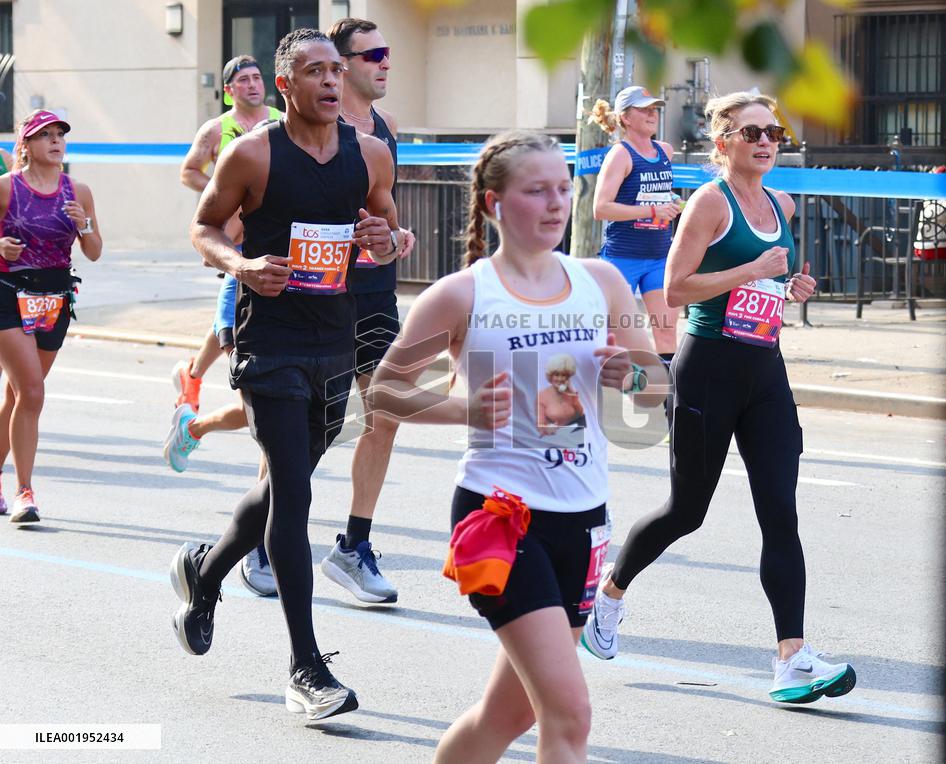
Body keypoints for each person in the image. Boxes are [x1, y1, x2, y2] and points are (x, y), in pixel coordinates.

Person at [369, 130, 667, 763]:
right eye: (537, 191)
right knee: (570, 712)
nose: (557, 203)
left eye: (564, 188)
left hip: (583, 519)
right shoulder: (462, 294)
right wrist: (466, 409)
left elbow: (656, 389)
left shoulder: (603, 282)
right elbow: (383, 393)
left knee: (508, 714)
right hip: (502, 517)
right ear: (494, 204)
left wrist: (633, 376)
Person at [582, 91, 858, 706]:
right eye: (752, 131)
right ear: (723, 141)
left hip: (765, 374)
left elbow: (771, 281)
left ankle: (792, 659)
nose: (766, 141)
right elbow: (677, 289)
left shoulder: (780, 202)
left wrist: (792, 287)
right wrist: (753, 271)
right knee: (687, 511)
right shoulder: (710, 202)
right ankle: (609, 594)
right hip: (706, 372)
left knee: (779, 512)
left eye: (774, 131)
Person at [172, 28, 399, 721]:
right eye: (315, 71)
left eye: (337, 69)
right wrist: (240, 266)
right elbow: (203, 226)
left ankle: (203, 574)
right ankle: (305, 667)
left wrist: (387, 238)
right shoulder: (253, 154)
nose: (332, 81)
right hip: (269, 344)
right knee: (295, 499)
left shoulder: (370, 155)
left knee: (280, 488)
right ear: (286, 87)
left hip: (337, 340)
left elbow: (388, 226)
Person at [317, 17, 416, 605]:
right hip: (315, 295)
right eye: (374, 53)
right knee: (310, 427)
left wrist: (397, 236)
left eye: (387, 53)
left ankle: (354, 545)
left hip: (375, 292)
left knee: (385, 412)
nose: (384, 63)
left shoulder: (384, 130)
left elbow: (387, 207)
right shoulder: (304, 130)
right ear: (342, 63)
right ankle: (258, 539)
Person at [0, 110, 102, 522]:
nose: (56, 141)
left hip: (55, 298)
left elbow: (94, 251)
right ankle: (25, 491)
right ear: (26, 145)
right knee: (33, 393)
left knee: (17, 395)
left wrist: (86, 223)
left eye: (60, 134)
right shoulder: (7, 189)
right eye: (46, 135)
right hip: (8, 294)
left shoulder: (77, 191)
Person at [173, 54, 283, 414]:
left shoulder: (281, 122)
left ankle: (193, 373)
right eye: (244, 80)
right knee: (235, 302)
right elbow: (189, 171)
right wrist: (223, 193)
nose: (253, 84)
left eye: (257, 77)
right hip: (234, 233)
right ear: (228, 91)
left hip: (273, 228)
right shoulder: (217, 128)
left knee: (233, 307)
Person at [590, 85, 682, 423]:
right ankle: (582, 403)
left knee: (666, 329)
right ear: (625, 118)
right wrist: (651, 211)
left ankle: (669, 413)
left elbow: (656, 195)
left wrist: (672, 205)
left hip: (659, 256)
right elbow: (601, 208)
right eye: (644, 109)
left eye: (655, 108)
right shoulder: (621, 155)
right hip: (622, 260)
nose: (652, 114)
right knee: (604, 334)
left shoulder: (666, 151)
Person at [536, 354, 585, 436]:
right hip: (554, 438)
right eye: (556, 375)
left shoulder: (570, 393)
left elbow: (580, 414)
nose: (560, 379)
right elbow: (539, 425)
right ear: (550, 376)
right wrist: (547, 428)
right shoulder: (542, 395)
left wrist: (572, 393)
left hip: (575, 436)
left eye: (564, 375)